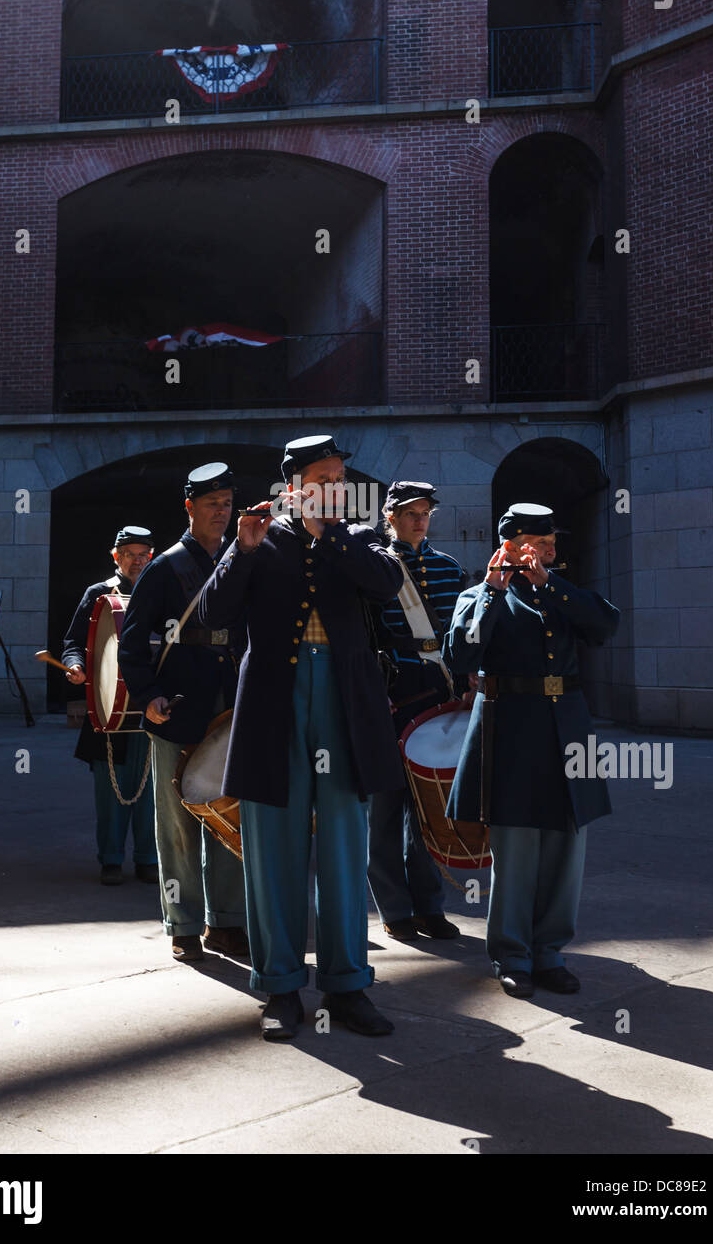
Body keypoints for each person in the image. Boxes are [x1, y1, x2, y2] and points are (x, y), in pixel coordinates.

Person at [198, 434, 406, 1041]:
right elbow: (212, 615)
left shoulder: (359, 536)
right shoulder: (259, 536)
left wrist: (331, 534)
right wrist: (240, 551)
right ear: (294, 486)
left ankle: (347, 986)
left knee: (343, 845)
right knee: (273, 848)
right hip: (274, 703)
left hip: (343, 700)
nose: (335, 486)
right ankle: (280, 985)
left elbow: (387, 583)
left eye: (340, 476)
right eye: (323, 478)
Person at [443, 502, 620, 998]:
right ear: (512, 545)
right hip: (512, 731)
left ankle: (550, 952)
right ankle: (513, 954)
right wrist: (493, 592)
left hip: (568, 730)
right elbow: (461, 653)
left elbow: (605, 626)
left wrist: (551, 584)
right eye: (541, 544)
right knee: (517, 850)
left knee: (566, 846)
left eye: (552, 543)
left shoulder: (561, 592)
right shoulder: (480, 595)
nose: (550, 552)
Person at [118, 463, 248, 963]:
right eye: (212, 504)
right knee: (176, 823)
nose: (222, 512)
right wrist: (147, 694)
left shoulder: (243, 558)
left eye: (227, 504)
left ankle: (227, 922)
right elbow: (132, 643)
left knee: (229, 814)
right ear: (189, 507)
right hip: (177, 706)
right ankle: (184, 924)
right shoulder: (165, 567)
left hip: (230, 703)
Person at [368, 481, 467, 943]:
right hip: (392, 693)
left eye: (425, 513)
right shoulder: (375, 567)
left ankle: (430, 906)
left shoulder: (449, 568)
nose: (419, 520)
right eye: (410, 513)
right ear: (390, 517)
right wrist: (372, 692)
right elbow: (365, 636)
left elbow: (461, 636)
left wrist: (465, 684)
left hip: (438, 692)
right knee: (386, 808)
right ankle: (394, 907)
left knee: (430, 806)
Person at [62, 526, 158, 886]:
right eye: (129, 554)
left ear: (151, 556)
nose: (137, 561)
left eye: (143, 554)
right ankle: (111, 860)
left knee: (150, 792)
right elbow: (74, 642)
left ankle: (148, 860)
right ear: (116, 557)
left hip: (150, 704)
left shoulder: (161, 590)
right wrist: (75, 665)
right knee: (110, 792)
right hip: (108, 708)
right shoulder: (98, 594)